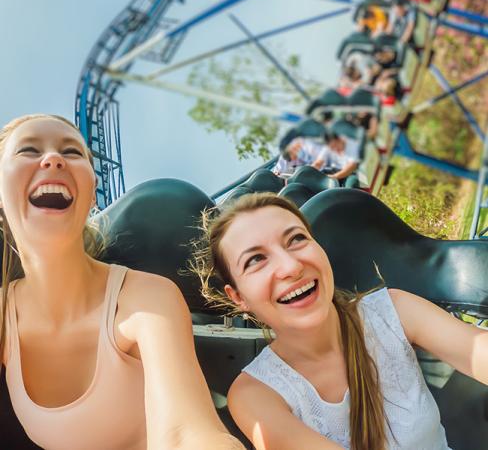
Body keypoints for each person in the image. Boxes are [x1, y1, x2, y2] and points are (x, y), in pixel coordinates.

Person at [0, 114, 245, 450]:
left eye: (72, 152)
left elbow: (186, 432)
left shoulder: (146, 298)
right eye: (28, 150)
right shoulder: (4, 311)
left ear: (91, 193)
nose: (53, 159)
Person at [192, 193, 488, 450]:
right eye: (255, 260)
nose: (291, 267)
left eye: (296, 239)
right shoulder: (254, 396)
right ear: (238, 297)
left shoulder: (395, 310)